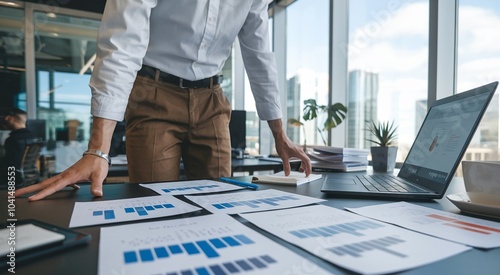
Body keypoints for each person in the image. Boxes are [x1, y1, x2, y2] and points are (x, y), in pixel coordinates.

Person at [15, 0, 311, 201]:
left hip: (212, 99)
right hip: (153, 91)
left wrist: (279, 133)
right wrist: (98, 149)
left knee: (221, 201)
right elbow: (122, 43)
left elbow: (258, 54)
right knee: (154, 201)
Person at [0, 108, 36, 185]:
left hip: (14, 177)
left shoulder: (13, 139)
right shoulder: (32, 137)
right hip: (28, 176)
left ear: (11, 118)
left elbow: (11, 164)